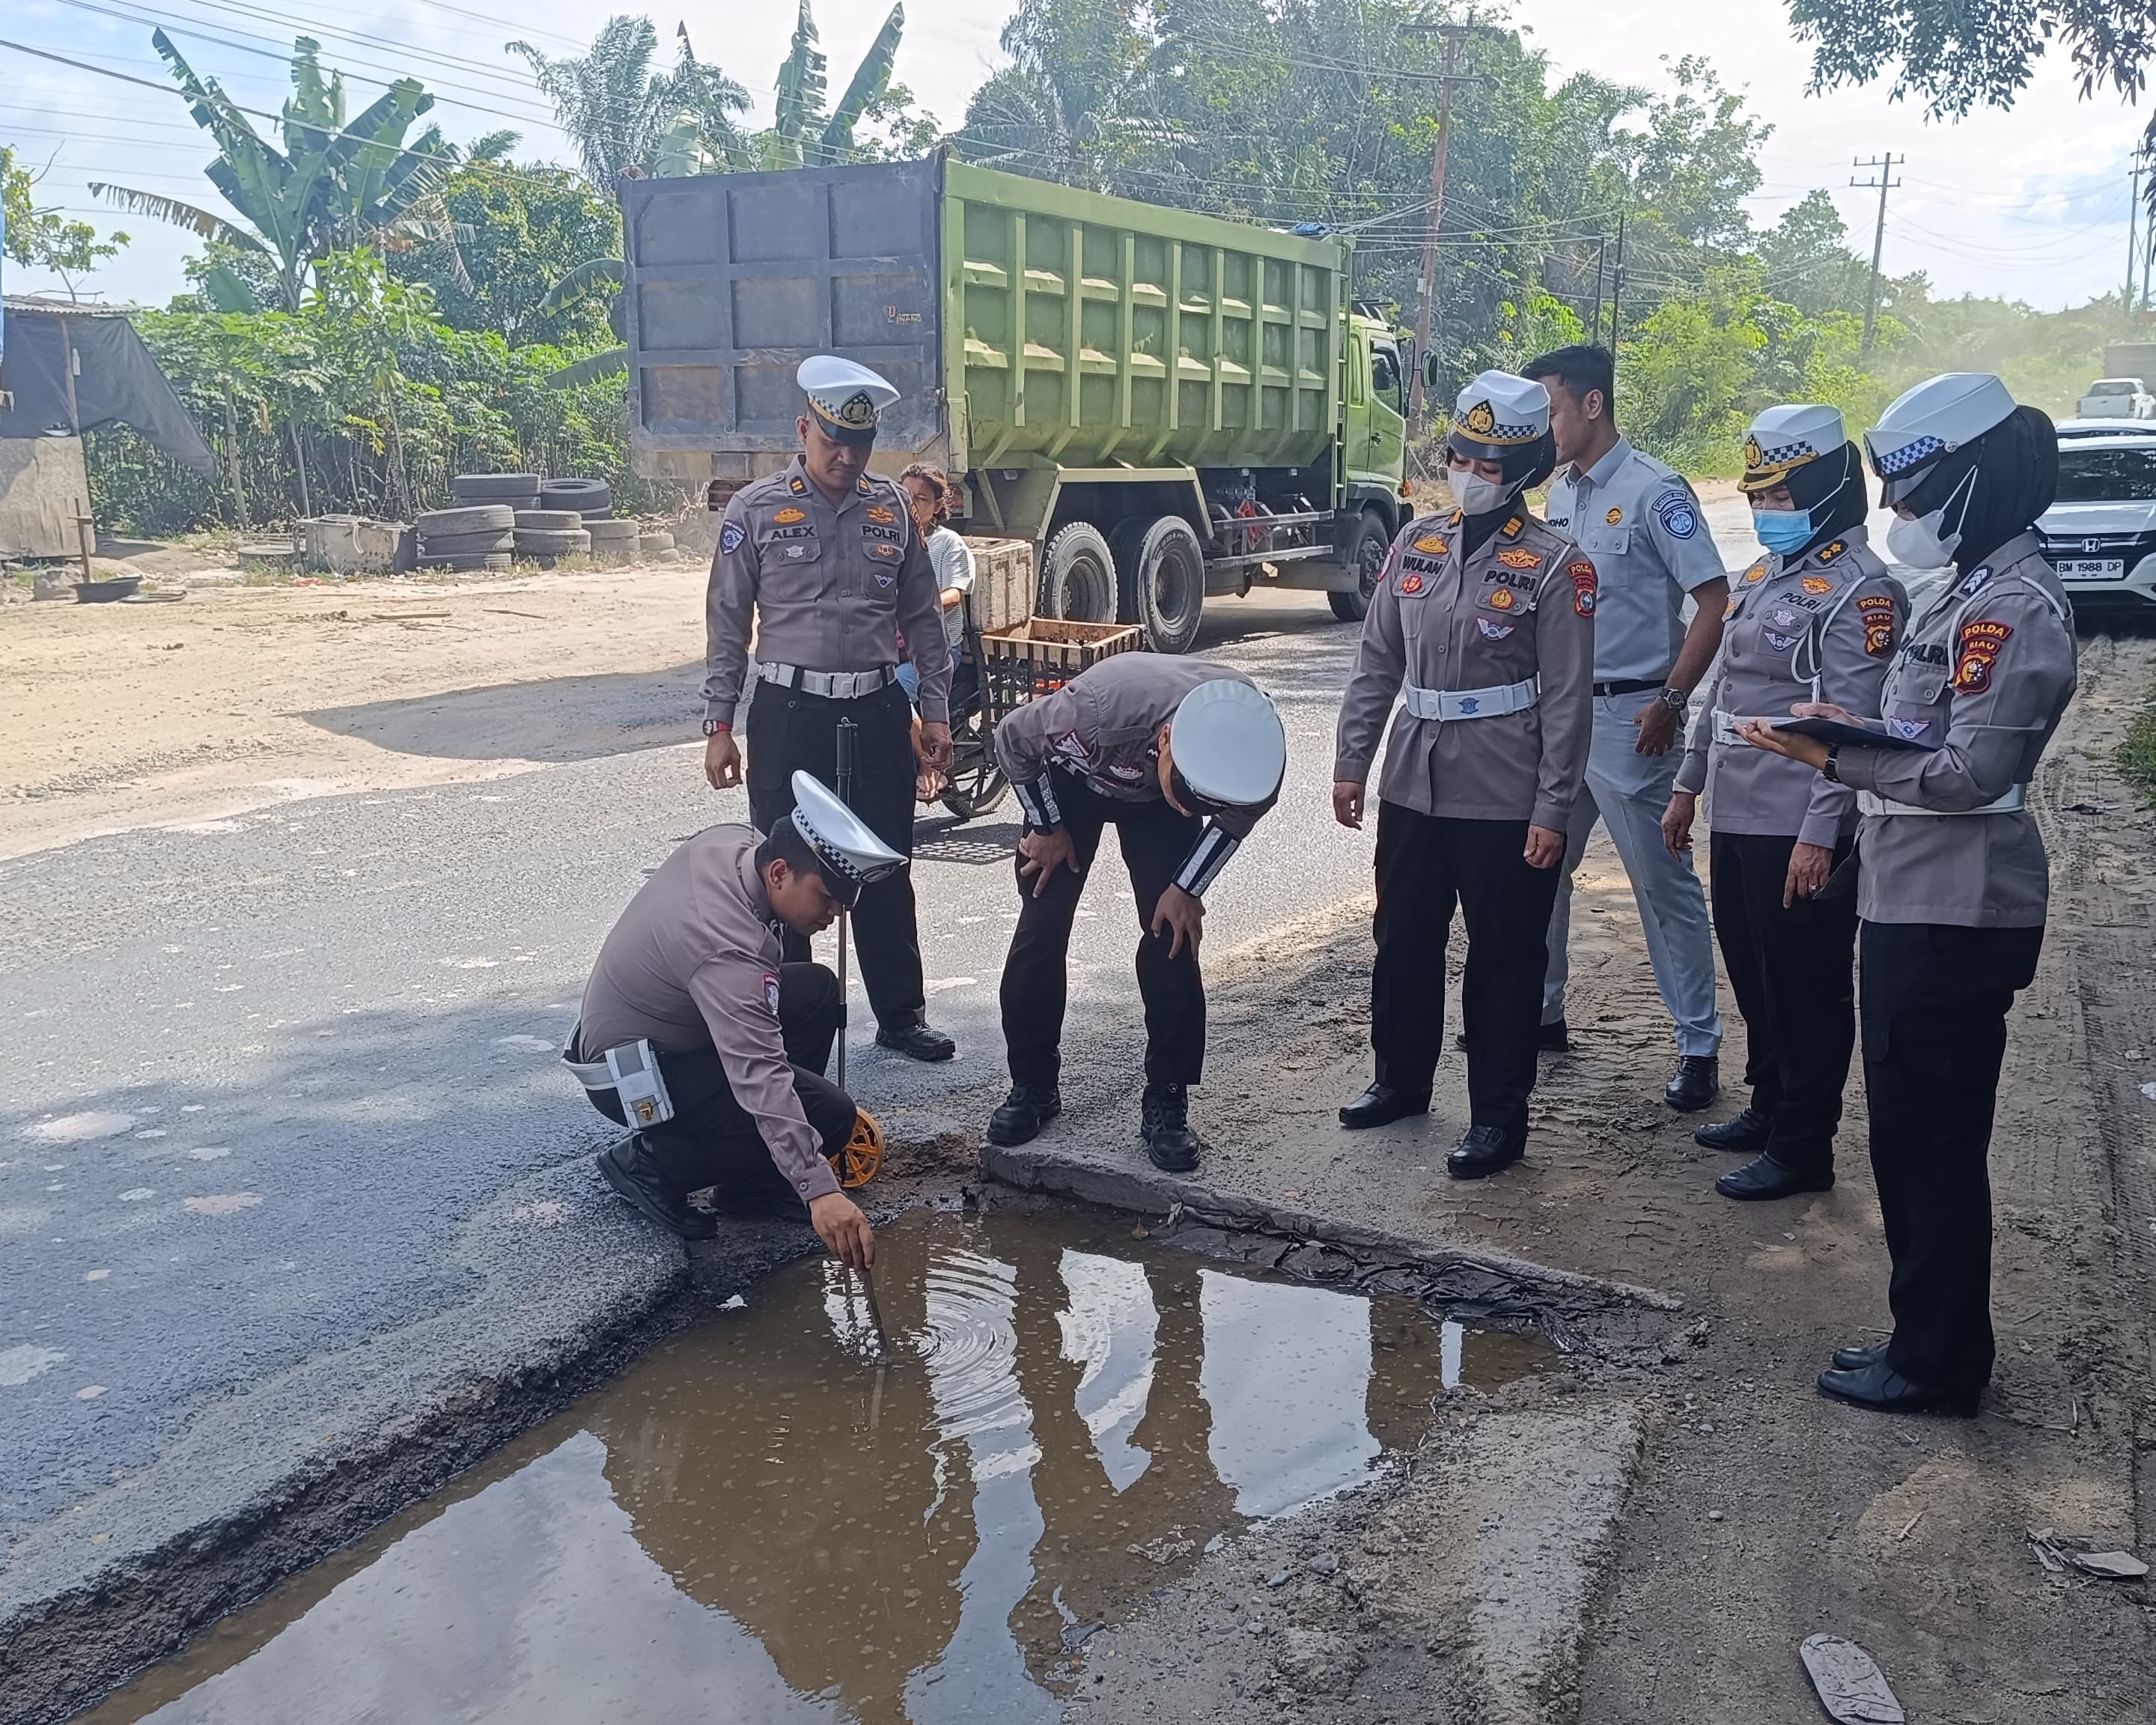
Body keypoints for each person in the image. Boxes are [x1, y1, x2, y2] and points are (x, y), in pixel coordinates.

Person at [1741, 373, 2076, 1416]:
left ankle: (1936, 1364)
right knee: (1910, 1137)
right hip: (1917, 896)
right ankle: (1923, 1333)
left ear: (1974, 478)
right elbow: (1936, 738)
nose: (1896, 513)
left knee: (1928, 1142)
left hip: (1952, 907)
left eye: (1915, 491)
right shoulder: (1973, 590)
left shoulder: (2010, 607)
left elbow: (1973, 774)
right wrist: (1851, 722)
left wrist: (1832, 759)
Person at [1330, 371, 1595, 1178]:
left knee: (1504, 960)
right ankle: (1401, 1080)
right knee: (1402, 939)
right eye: (1462, 456)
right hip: (1413, 779)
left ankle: (1497, 1119)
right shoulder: (1417, 542)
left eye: (1490, 461)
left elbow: (1568, 699)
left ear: (1522, 470)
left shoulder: (1556, 565)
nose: (1471, 472)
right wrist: (1352, 759)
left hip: (1505, 790)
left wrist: (1553, 810)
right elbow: (1377, 660)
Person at [1663, 405, 1905, 1202]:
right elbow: (1723, 695)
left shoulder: (1860, 592)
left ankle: (1805, 1145)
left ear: (1831, 488)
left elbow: (1850, 733)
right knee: (1756, 973)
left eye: (1779, 495)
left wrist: (1817, 839)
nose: (1766, 511)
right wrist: (1688, 786)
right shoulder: (1764, 577)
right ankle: (1767, 1106)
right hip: (1737, 812)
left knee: (1806, 986)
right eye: (1758, 496)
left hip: (1797, 822)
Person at [702, 356, 958, 1064]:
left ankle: (901, 1016)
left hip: (877, 708)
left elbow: (923, 621)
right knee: (785, 865)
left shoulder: (890, 512)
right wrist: (720, 725)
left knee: (886, 863)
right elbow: (728, 624)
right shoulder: (754, 510)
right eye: (831, 441)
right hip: (790, 712)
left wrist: (933, 712)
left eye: (860, 444)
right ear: (803, 430)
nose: (845, 457)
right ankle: (786, 1014)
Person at [564, 771, 898, 1265]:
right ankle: (651, 1166)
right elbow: (760, 1074)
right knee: (830, 1117)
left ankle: (752, 1182)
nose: (834, 915)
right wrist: (818, 1189)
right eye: (827, 899)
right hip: (633, 1074)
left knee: (816, 990)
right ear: (780, 872)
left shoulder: (738, 844)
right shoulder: (725, 950)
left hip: (665, 1031)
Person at [1522, 344, 1729, 1110]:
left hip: (1634, 718)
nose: (1546, 429)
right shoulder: (1562, 497)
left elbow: (1712, 603)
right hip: (1563, 717)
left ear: (1591, 405)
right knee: (1539, 865)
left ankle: (1698, 1046)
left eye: (1550, 410)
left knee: (1660, 883)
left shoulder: (1655, 493)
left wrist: (1673, 702)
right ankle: (1540, 1013)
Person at [984, 655, 1287, 1172]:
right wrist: (1045, 825)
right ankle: (1032, 1085)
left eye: (1204, 803)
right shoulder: (1095, 711)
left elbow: (1232, 819)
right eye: (1190, 796)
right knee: (1041, 925)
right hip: (1075, 779)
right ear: (1168, 739)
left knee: (1173, 937)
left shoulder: (1255, 755)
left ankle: (1168, 1099)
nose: (1194, 811)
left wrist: (1186, 886)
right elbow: (1013, 737)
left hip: (1156, 806)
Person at [895, 462, 979, 717]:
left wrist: (909, 607)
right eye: (906, 496)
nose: (912, 505)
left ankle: (917, 752)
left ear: (939, 505)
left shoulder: (947, 543)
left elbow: (954, 595)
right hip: (892, 646)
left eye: (921, 499)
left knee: (893, 692)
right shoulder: (890, 538)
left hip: (936, 651)